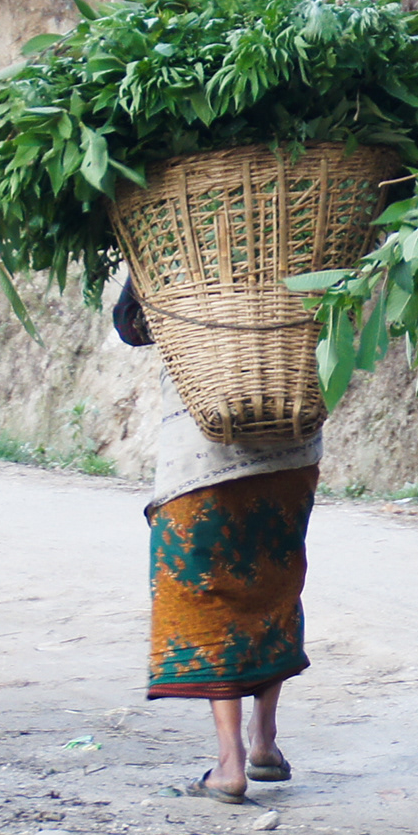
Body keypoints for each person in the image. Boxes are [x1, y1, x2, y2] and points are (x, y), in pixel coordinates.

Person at [115, 280, 318, 803]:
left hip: (201, 455)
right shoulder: (303, 248)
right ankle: (264, 741)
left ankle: (229, 763)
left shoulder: (180, 254)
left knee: (206, 599)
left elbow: (131, 327)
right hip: (288, 439)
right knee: (271, 588)